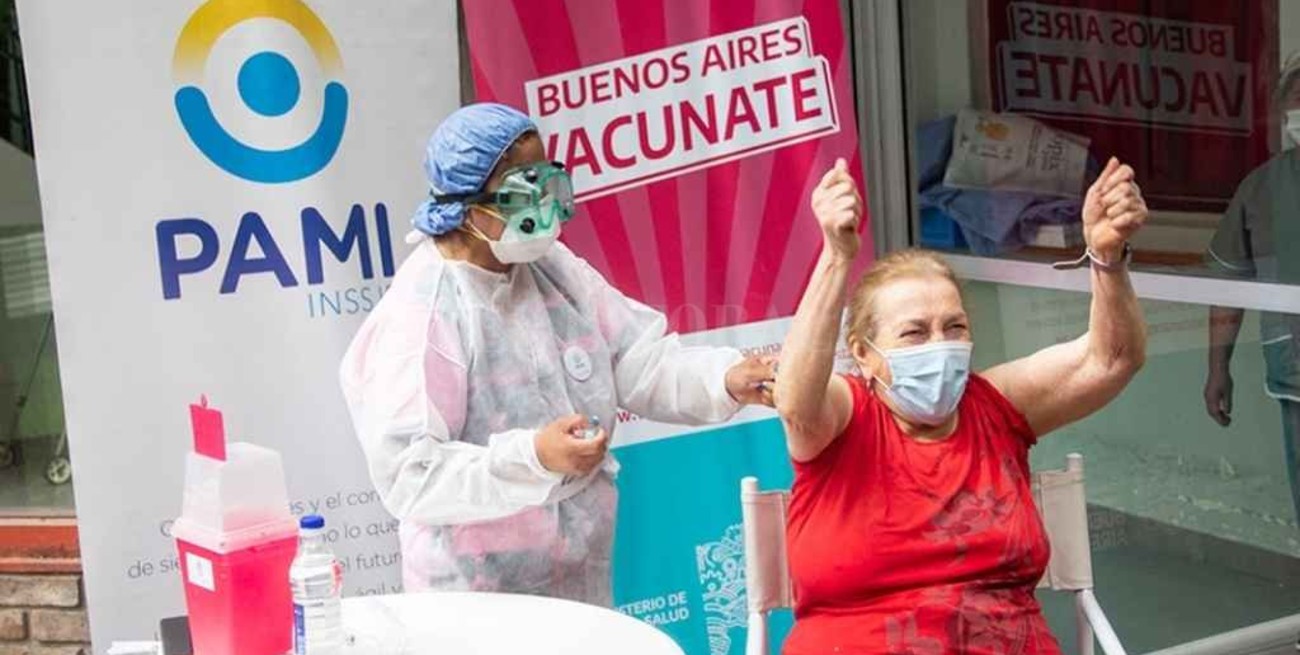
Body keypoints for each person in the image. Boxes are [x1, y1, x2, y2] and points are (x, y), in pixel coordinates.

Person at [339, 103, 775, 605]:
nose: (543, 209)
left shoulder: (551, 268)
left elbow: (637, 359)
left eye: (549, 186)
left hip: (576, 571)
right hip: (474, 598)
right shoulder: (425, 312)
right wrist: (534, 457)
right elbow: (411, 475)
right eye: (525, 193)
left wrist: (722, 378)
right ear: (469, 206)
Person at [772, 156, 1147, 654]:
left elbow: (1111, 359)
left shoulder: (994, 405)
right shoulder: (844, 414)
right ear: (863, 353)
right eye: (913, 332)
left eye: (954, 327)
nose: (939, 344)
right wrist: (837, 256)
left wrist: (1106, 256)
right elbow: (797, 404)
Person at [1203, 52, 1300, 525]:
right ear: (1283, 108)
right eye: (1298, 96)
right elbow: (1229, 280)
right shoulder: (1261, 188)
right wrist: (1217, 367)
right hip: (1296, 377)